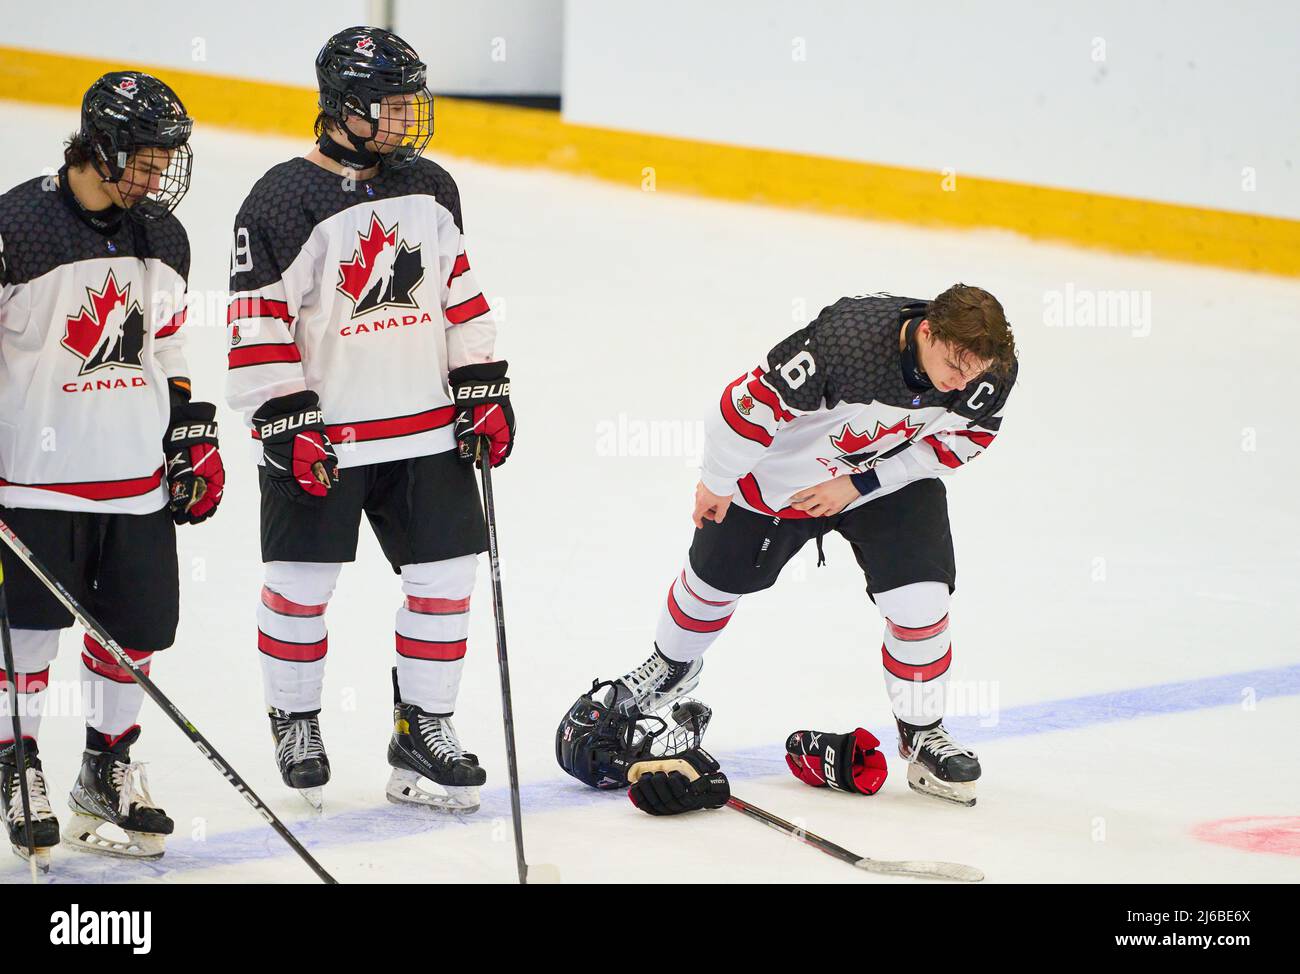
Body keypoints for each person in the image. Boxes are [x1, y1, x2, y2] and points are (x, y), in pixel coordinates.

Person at [559, 285, 1016, 812]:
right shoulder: (849, 342)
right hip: (784, 477)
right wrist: (717, 479)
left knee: (922, 601)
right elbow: (742, 408)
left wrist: (862, 484)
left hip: (889, 480)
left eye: (972, 372)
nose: (961, 383)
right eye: (953, 366)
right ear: (926, 332)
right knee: (712, 583)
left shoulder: (990, 369)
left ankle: (921, 732)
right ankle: (671, 665)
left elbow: (962, 440)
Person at [226, 26, 513, 814]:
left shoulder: (432, 186)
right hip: (327, 434)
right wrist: (286, 420)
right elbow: (256, 322)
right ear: (342, 107)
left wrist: (482, 384)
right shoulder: (283, 198)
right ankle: (296, 718)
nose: (404, 119)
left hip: (425, 429)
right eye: (389, 104)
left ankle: (423, 728)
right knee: (300, 584)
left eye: (408, 102)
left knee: (446, 580)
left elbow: (458, 291)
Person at [0, 71, 222, 863]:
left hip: (134, 476)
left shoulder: (162, 235)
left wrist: (191, 429)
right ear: (99, 146)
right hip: (33, 476)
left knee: (133, 631)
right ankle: (16, 761)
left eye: (166, 164)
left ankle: (106, 766)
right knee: (26, 635)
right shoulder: (15, 224)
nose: (158, 178)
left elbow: (167, 344)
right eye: (147, 161)